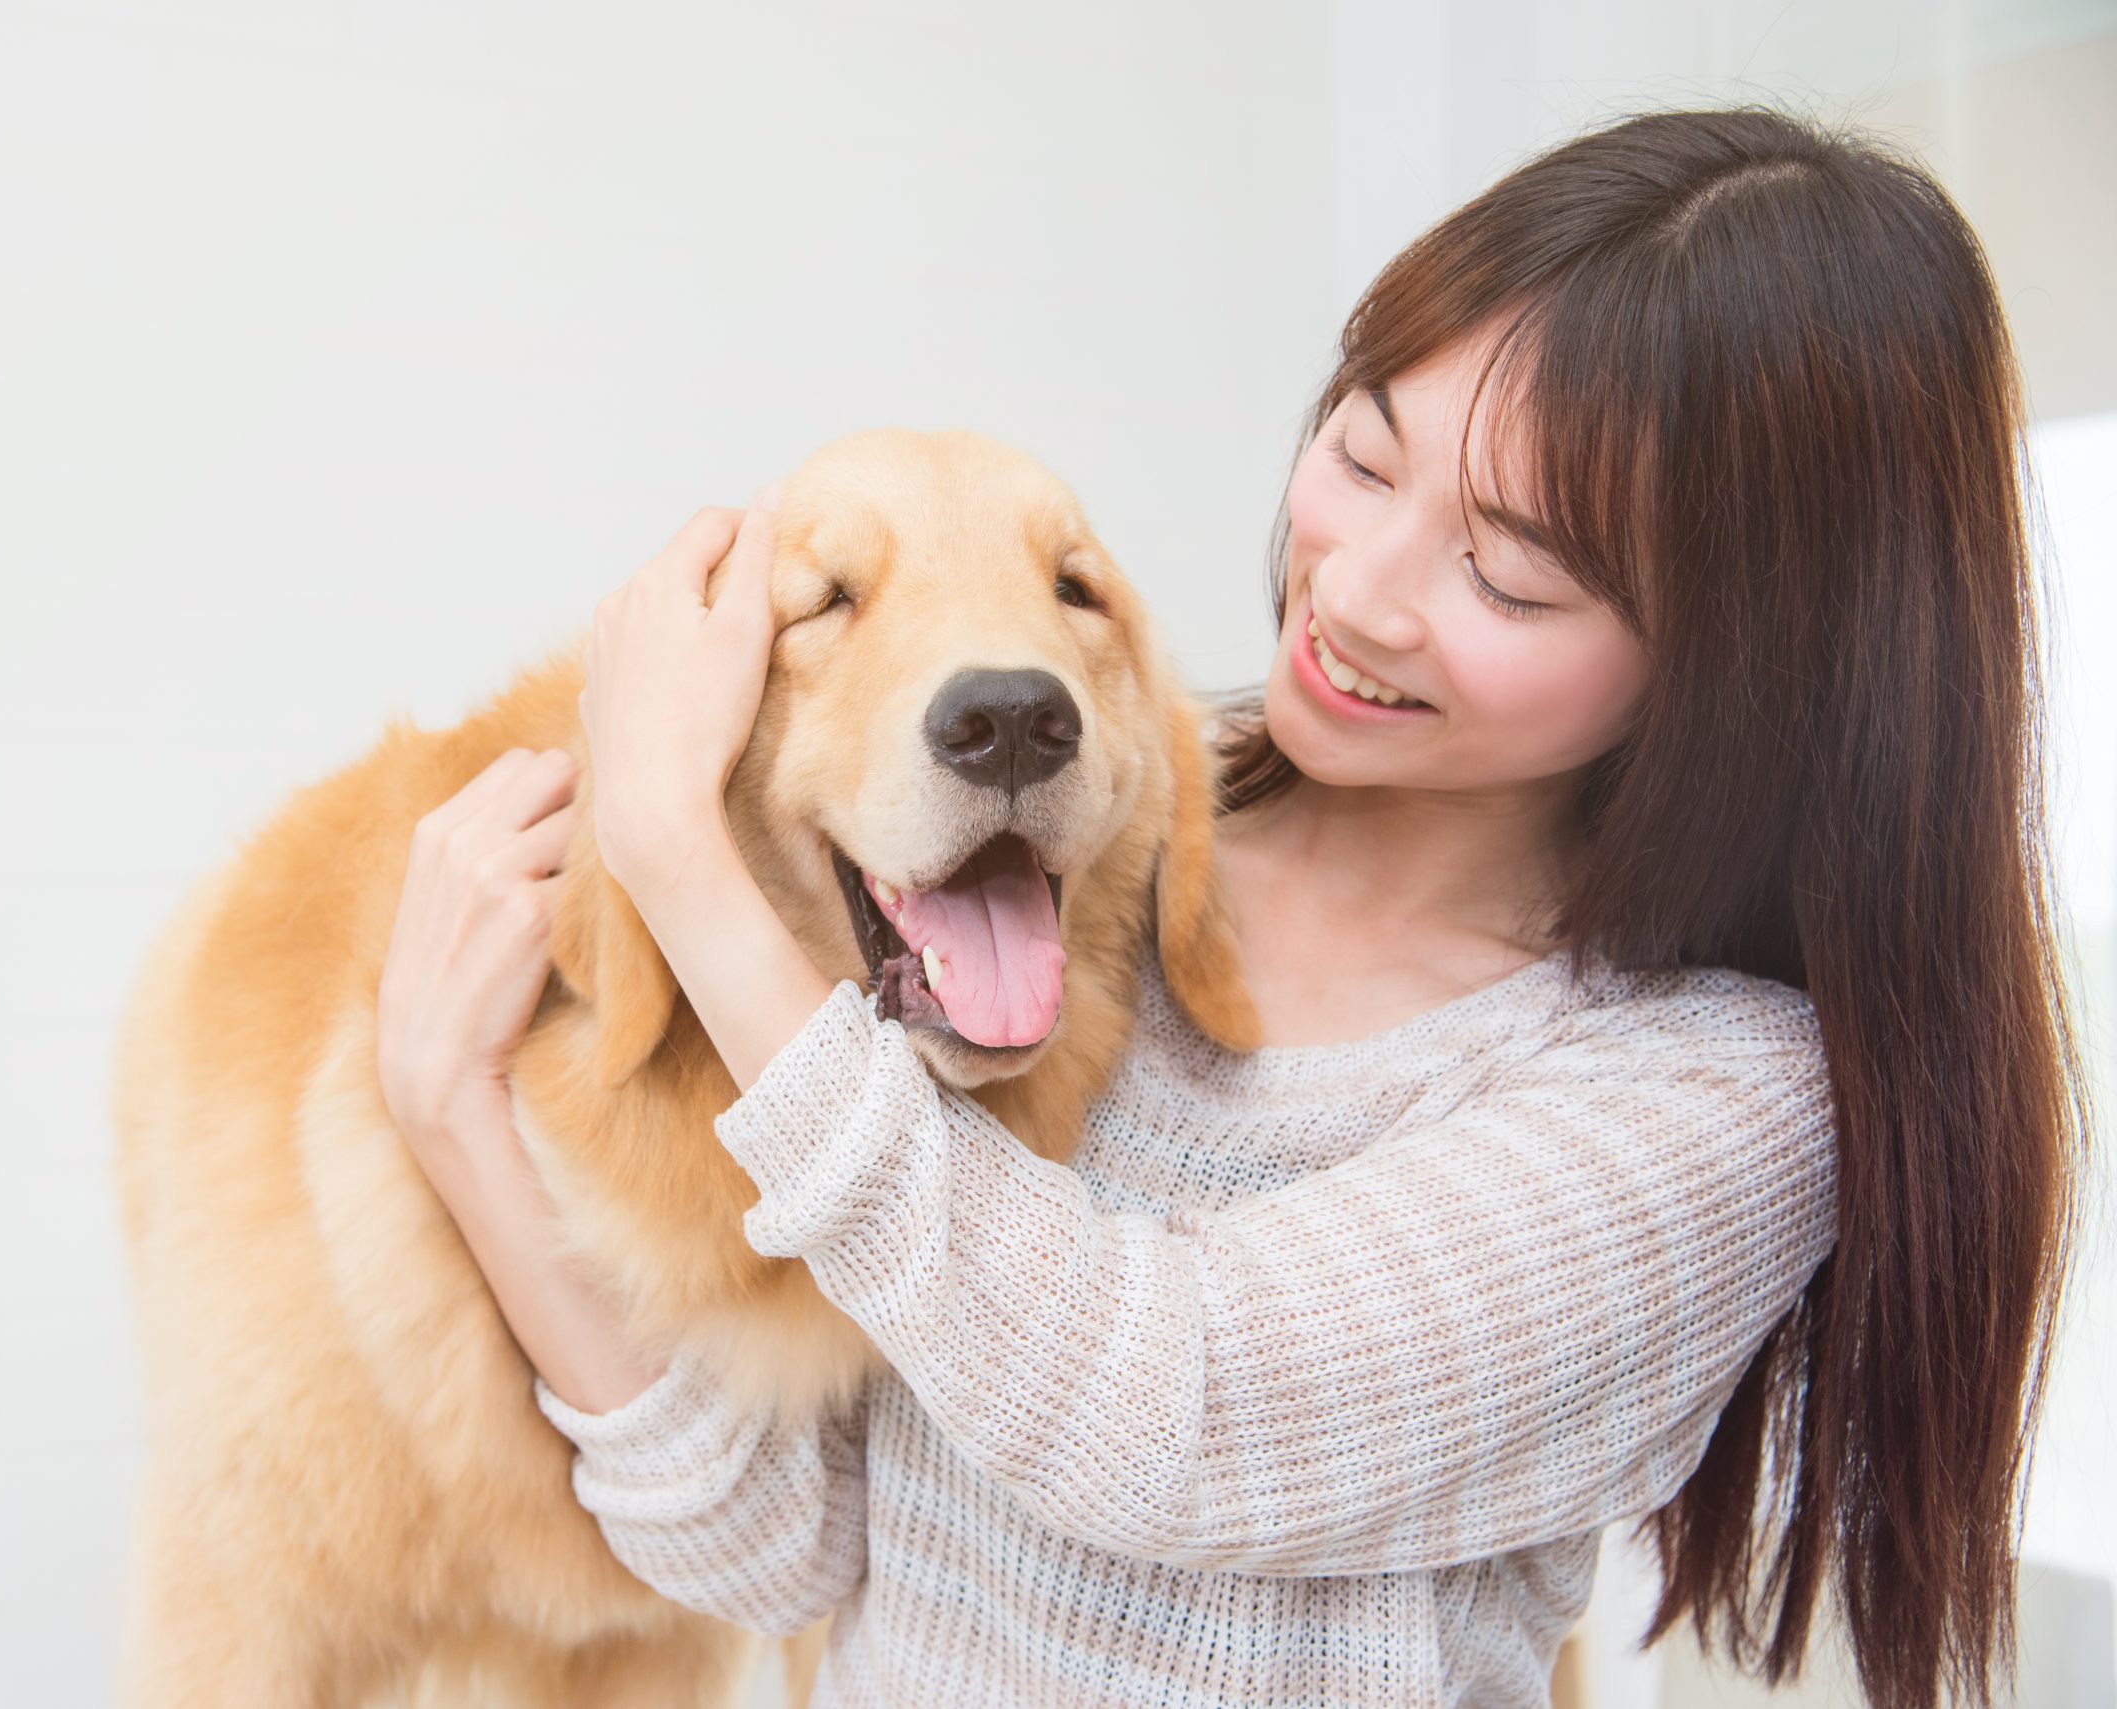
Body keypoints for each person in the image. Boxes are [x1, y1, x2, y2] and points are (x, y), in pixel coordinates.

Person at [372, 106, 2087, 1709]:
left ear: (1737, 671)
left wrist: (671, 849)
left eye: (1507, 570)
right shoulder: (1073, 871)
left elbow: (1167, 1418)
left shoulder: (1716, 1098)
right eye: (1362, 449)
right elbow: (778, 1545)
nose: (1358, 587)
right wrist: (458, 1111)